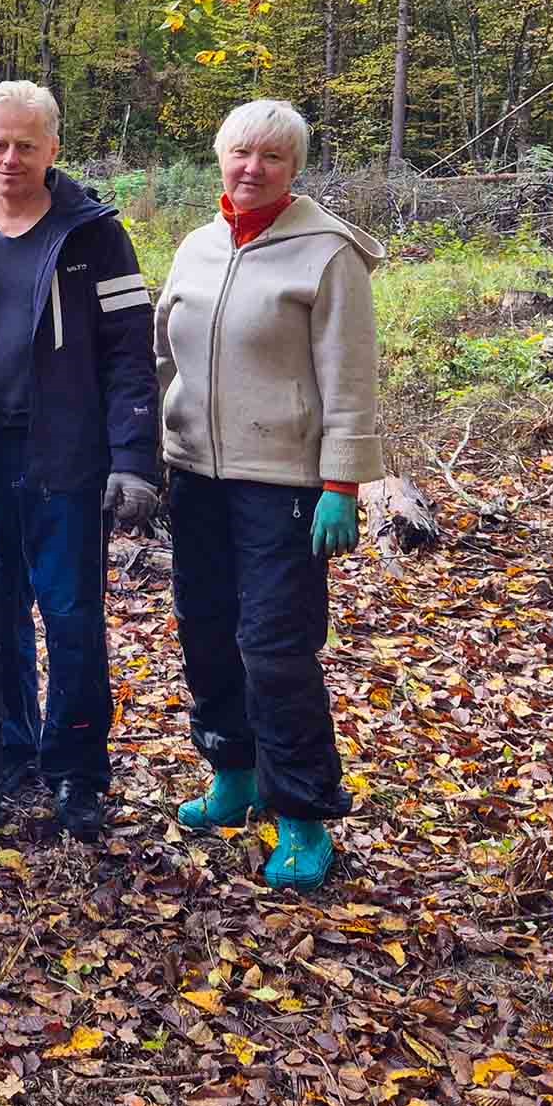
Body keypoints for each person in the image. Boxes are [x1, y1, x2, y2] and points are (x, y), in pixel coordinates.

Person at [0, 80, 160, 840]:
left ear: (53, 148)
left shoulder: (93, 235)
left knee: (73, 619)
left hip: (67, 466)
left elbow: (128, 356)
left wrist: (133, 457)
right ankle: (10, 746)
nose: (10, 158)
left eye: (26, 144)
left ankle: (76, 770)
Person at [155, 98, 383, 891]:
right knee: (206, 630)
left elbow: (351, 378)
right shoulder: (197, 247)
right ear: (219, 157)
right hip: (196, 474)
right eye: (240, 153)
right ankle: (234, 773)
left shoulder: (327, 254)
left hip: (284, 483)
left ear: (295, 168)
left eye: (272, 158)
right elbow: (161, 357)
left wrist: (343, 482)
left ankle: (303, 812)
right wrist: (136, 450)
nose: (252, 168)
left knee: (275, 647)